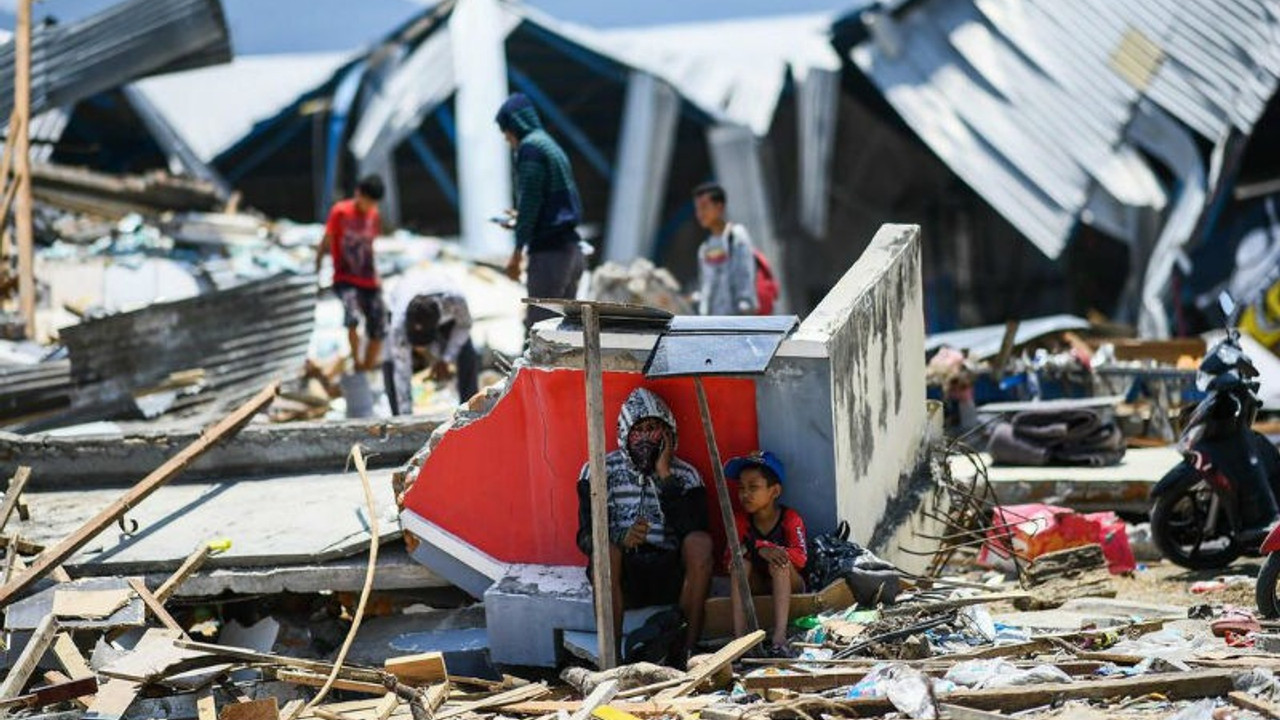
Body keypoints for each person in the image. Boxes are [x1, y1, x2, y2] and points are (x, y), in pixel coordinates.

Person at [575, 387, 713, 663]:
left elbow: (695, 531)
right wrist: (619, 537)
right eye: (639, 430)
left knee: (701, 544)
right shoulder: (598, 471)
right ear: (626, 433)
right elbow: (584, 537)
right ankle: (610, 658)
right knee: (606, 552)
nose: (647, 438)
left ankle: (687, 652)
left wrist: (664, 478)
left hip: (669, 572)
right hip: (625, 575)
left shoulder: (687, 476)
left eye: (655, 429)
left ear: (669, 434)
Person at [494, 93, 586, 333]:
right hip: (571, 250)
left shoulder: (530, 149)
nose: (507, 140)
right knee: (568, 334)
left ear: (514, 126)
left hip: (550, 256)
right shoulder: (548, 143)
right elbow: (549, 203)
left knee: (540, 332)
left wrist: (516, 254)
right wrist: (521, 217)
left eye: (506, 133)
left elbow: (531, 201)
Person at [724, 451, 807, 656]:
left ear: (775, 491)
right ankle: (739, 639)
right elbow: (728, 557)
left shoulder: (790, 518)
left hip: (790, 583)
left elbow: (801, 558)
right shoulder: (741, 520)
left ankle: (779, 636)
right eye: (741, 487)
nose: (745, 494)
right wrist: (758, 548)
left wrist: (772, 550)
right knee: (739, 565)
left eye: (753, 487)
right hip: (758, 584)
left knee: (779, 564)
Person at [382, 268, 479, 414]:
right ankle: (397, 417)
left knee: (467, 354)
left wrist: (447, 359)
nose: (419, 348)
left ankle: (471, 413)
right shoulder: (398, 323)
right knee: (391, 362)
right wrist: (406, 419)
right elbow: (402, 372)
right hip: (402, 299)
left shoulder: (455, 300)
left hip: (446, 313)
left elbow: (464, 326)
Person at [316, 175, 386, 371]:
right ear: (358, 194)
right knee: (353, 316)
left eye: (374, 203)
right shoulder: (340, 212)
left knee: (379, 323)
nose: (370, 206)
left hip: (368, 278)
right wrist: (318, 264)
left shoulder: (374, 215)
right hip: (345, 277)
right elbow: (327, 239)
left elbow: (370, 247)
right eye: (368, 201)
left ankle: (367, 366)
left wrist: (377, 276)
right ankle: (356, 361)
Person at [693, 182, 758, 316]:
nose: (700, 213)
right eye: (697, 208)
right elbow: (705, 287)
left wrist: (745, 309)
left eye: (704, 207)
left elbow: (745, 274)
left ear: (719, 207)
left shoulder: (736, 236)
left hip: (736, 322)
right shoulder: (704, 248)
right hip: (711, 324)